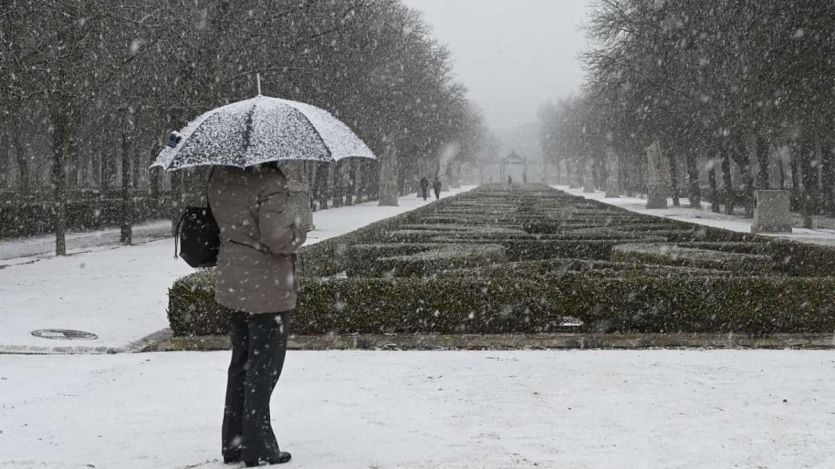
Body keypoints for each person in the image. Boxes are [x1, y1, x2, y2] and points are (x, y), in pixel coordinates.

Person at [208, 163, 307, 467]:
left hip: (234, 283)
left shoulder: (219, 174)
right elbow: (276, 238)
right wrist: (298, 232)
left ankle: (234, 442)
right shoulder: (269, 180)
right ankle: (259, 446)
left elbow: (222, 220)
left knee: (241, 364)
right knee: (264, 368)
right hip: (266, 286)